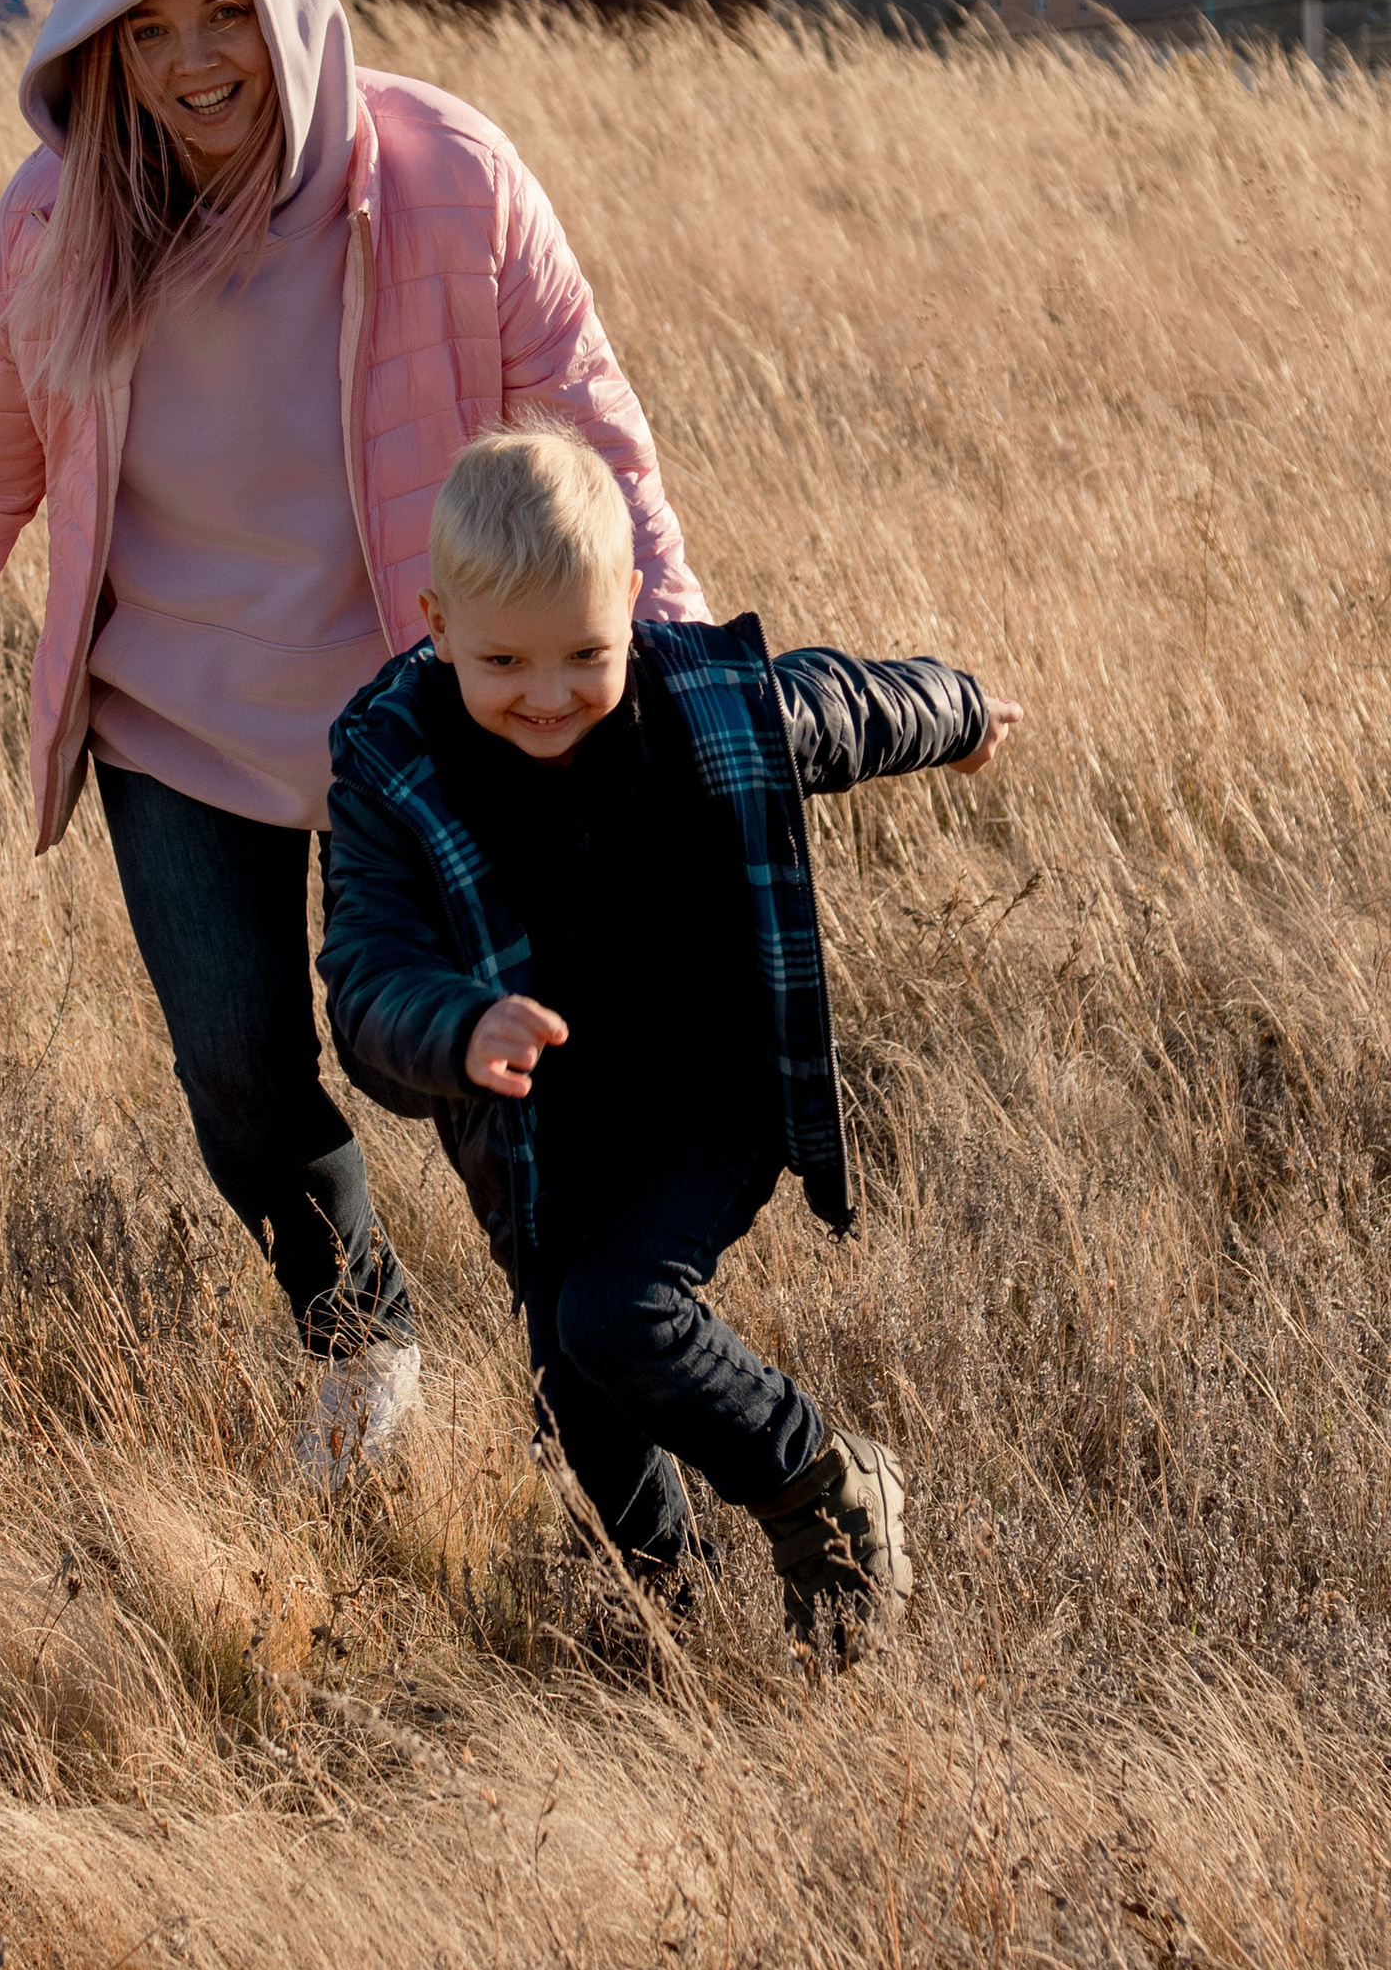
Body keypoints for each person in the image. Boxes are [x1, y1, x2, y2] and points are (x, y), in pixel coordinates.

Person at [0, 0, 710, 1475]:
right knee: (241, 1080)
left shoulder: (447, 180)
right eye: (152, 32)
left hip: (425, 729)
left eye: (226, 17)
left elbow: (590, 434)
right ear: (102, 55)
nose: (198, 62)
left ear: (288, 12)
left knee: (493, 1080)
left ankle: (590, 1398)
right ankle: (361, 1343)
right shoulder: (52, 234)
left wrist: (679, 688)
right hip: (176, 735)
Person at [320, 425, 1021, 1647]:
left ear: (633, 608)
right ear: (433, 623)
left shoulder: (705, 703)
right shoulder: (391, 764)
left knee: (615, 1317)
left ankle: (821, 1486)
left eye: (585, 654)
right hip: (550, 1133)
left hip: (714, 1096)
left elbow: (845, 707)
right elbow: (364, 972)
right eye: (504, 662)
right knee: (575, 1394)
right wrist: (459, 1021)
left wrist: (958, 712)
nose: (548, 695)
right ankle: (668, 1619)